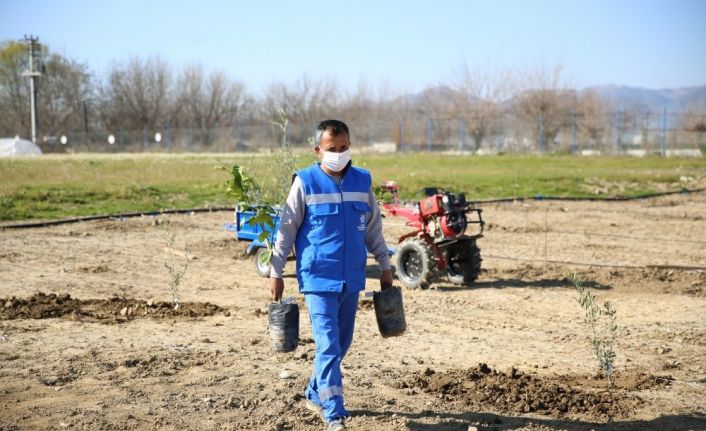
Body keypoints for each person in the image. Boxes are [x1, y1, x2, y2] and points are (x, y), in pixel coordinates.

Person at [269, 119, 393, 431]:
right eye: (331, 149)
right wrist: (276, 270)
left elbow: (373, 228)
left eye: (344, 148)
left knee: (342, 343)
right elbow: (285, 230)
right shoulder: (305, 182)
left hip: (352, 278)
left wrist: (385, 264)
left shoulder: (362, 181)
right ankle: (334, 414)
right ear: (318, 150)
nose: (339, 153)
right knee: (327, 344)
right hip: (317, 278)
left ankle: (314, 392)